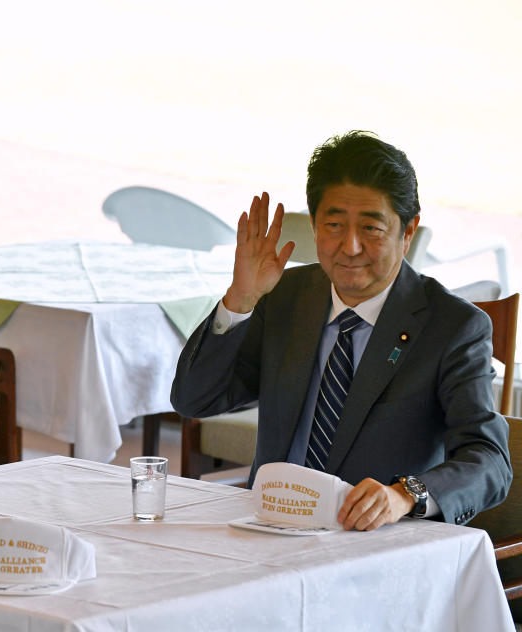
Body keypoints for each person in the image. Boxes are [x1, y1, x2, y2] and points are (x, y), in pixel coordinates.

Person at [171, 131, 511, 532]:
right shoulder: (285, 296)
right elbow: (195, 400)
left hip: (373, 546)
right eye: (333, 224)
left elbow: (489, 460)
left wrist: (403, 495)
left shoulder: (453, 327)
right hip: (269, 531)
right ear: (314, 226)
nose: (349, 247)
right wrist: (239, 299)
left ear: (408, 232)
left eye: (371, 228)